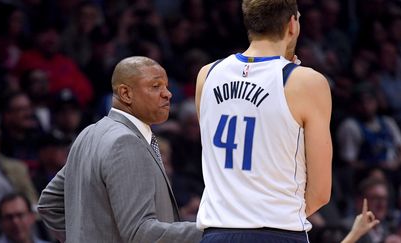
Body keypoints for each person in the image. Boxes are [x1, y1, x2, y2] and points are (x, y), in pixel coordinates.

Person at [194, 0, 332, 242]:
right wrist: (277, 215)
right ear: (292, 24)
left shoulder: (207, 74)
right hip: (278, 232)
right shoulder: (308, 83)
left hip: (217, 232)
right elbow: (320, 192)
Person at [37, 56, 202, 242]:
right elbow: (140, 232)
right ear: (126, 93)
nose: (168, 94)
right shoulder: (126, 142)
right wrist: (209, 233)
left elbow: (48, 204)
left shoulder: (89, 133)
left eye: (166, 86)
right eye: (156, 86)